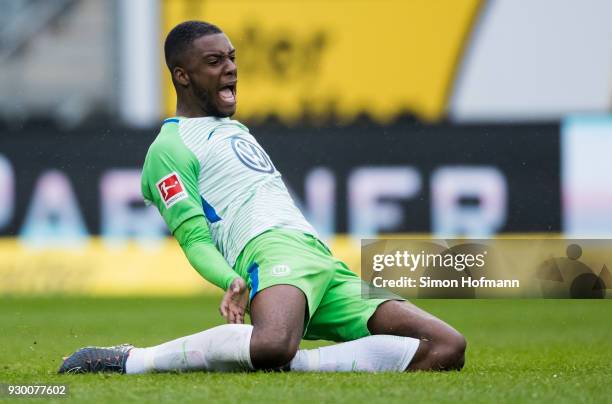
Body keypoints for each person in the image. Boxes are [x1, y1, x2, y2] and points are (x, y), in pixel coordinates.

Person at [58, 20, 466, 374]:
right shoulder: (170, 148)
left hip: (320, 259)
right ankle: (133, 360)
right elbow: (195, 241)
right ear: (182, 76)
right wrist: (230, 279)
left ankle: (297, 366)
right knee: (272, 343)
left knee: (447, 347)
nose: (231, 68)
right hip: (268, 251)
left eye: (232, 58)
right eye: (214, 62)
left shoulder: (234, 129)